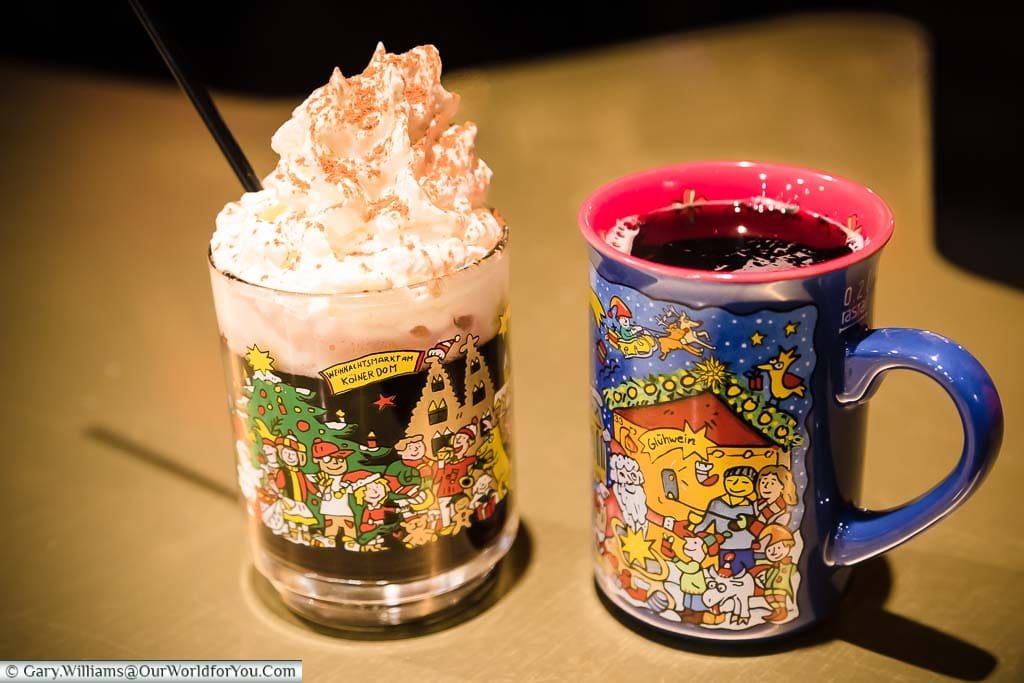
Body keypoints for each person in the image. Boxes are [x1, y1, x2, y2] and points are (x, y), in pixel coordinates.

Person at [694, 466, 756, 574]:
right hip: (725, 549)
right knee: (726, 578)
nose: (737, 485)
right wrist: (696, 534)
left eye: (745, 482)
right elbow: (703, 525)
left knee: (752, 576)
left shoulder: (753, 507)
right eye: (731, 481)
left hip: (748, 549)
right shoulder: (717, 504)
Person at [755, 524, 797, 623]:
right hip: (770, 586)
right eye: (769, 550)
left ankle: (782, 611)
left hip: (781, 586)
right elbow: (769, 575)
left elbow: (794, 570)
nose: (773, 552)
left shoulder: (788, 564)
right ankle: (777, 611)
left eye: (778, 548)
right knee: (769, 596)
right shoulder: (773, 566)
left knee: (779, 597)